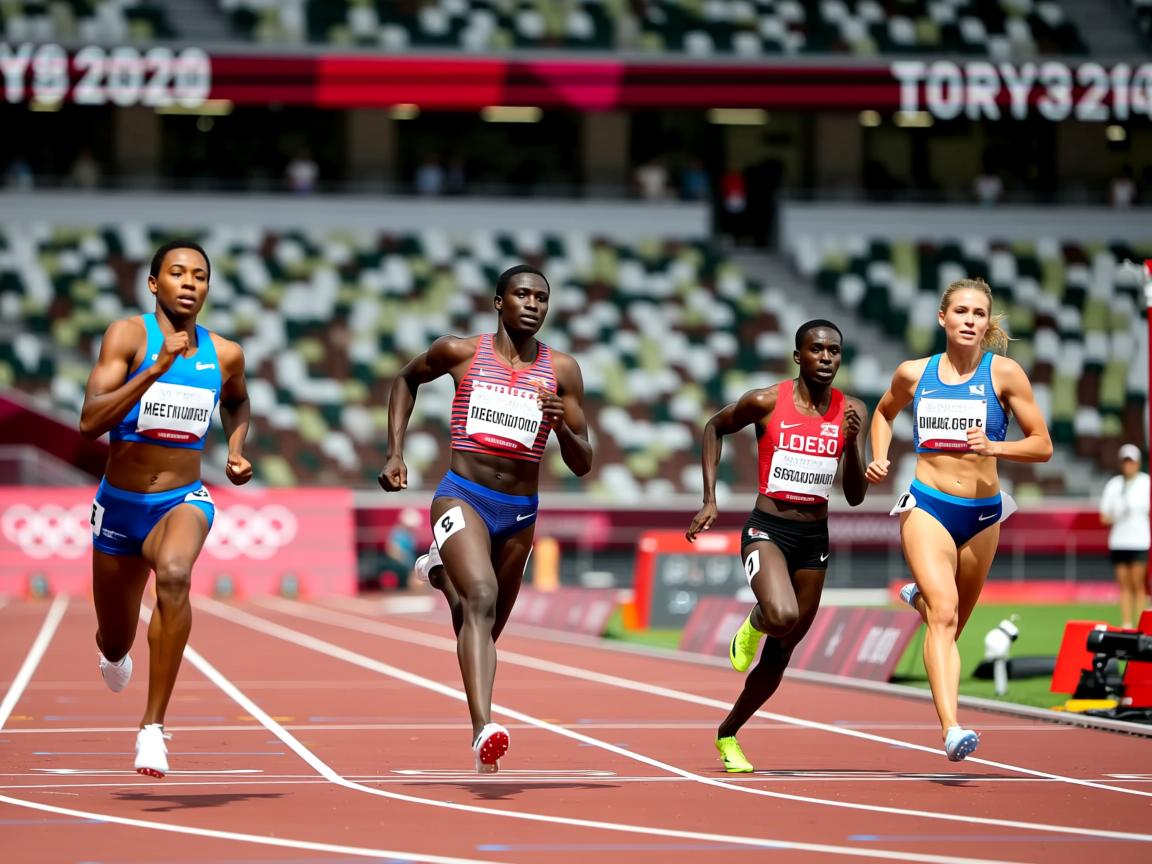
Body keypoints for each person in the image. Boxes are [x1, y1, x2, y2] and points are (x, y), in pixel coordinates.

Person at [378, 264, 592, 773]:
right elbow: (406, 379)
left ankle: (438, 573)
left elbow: (583, 462)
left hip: (520, 513)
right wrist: (395, 452)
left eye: (542, 297)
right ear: (499, 302)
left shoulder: (562, 371)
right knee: (481, 599)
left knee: (482, 624)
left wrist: (562, 426)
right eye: (522, 294)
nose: (533, 304)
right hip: (461, 497)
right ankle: (483, 732)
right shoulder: (460, 352)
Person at [79, 240, 252, 777]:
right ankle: (113, 655)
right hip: (119, 507)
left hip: (181, 499)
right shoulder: (128, 336)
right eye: (177, 273)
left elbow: (239, 399)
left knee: (175, 576)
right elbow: (89, 421)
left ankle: (152, 727)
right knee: (115, 637)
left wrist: (237, 447)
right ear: (155, 284)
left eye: (200, 275)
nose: (189, 283)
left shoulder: (224, 354)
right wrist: (155, 369)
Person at [866, 277, 1051, 761]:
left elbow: (1042, 445)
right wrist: (880, 456)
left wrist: (997, 446)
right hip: (928, 505)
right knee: (944, 614)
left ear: (987, 323)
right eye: (962, 312)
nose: (970, 321)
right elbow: (883, 414)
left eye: (979, 314)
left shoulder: (1005, 374)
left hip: (984, 514)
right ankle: (951, 729)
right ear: (942, 318)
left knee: (951, 623)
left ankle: (918, 599)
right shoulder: (914, 372)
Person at [686, 320, 867, 773]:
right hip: (768, 528)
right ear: (798, 356)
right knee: (781, 616)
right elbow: (714, 427)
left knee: (783, 651)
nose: (826, 358)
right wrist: (710, 498)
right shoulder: (766, 401)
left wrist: (852, 444)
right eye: (817, 350)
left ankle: (728, 733)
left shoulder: (851, 411)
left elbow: (857, 494)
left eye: (834, 351)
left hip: (815, 539)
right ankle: (753, 623)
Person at [1100, 443, 1150, 628]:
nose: (1128, 465)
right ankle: (1127, 623)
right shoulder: (1114, 485)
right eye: (1125, 461)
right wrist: (1118, 514)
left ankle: (1141, 623)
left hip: (1139, 540)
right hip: (1119, 541)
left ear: (1138, 463)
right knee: (1124, 583)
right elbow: (1104, 517)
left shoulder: (1146, 482)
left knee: (1137, 583)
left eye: (1131, 462)